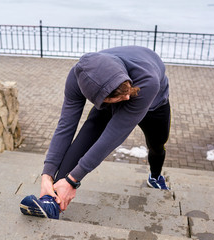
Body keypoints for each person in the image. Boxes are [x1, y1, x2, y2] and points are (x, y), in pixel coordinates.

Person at [20, 46, 170, 219]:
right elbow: (66, 126)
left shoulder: (147, 81)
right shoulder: (78, 76)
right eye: (119, 97)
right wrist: (47, 173)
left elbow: (113, 136)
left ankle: (155, 176)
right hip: (112, 92)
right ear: (98, 98)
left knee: (157, 145)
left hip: (153, 104)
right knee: (88, 133)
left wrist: (72, 180)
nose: (127, 99)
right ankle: (51, 201)